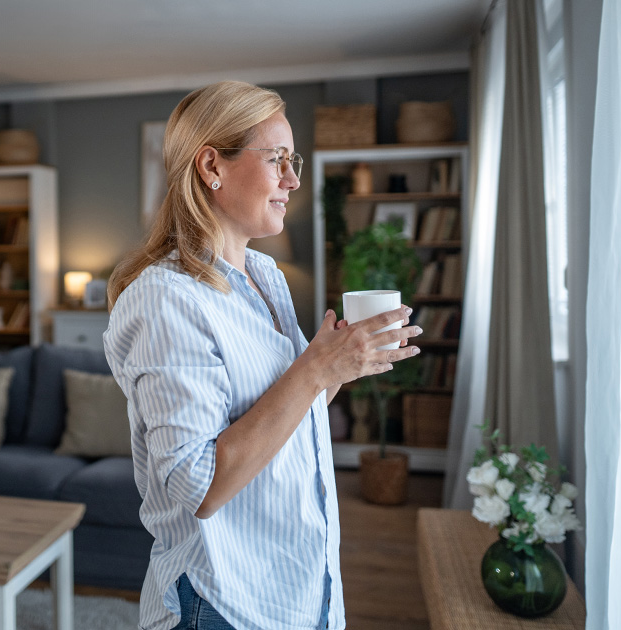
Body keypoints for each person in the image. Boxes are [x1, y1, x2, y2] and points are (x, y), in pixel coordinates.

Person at [103, 81, 422, 630]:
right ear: (212, 167)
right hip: (223, 602)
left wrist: (344, 363)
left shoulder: (265, 277)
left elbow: (291, 412)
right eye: (278, 160)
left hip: (298, 588)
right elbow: (199, 487)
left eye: (291, 161)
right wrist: (315, 369)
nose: (293, 180)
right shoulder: (164, 298)